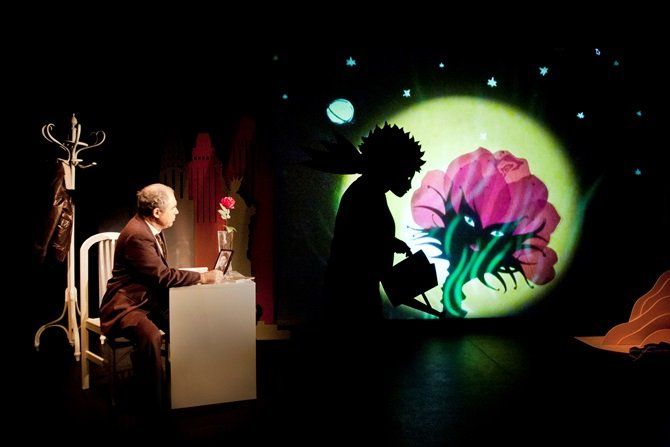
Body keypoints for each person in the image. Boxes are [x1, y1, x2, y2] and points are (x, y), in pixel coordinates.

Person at [100, 183, 222, 409]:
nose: (177, 211)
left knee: (193, 320)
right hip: (128, 305)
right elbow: (162, 276)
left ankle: (194, 386)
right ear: (157, 212)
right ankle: (153, 403)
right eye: (173, 208)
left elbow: (159, 274)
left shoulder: (150, 228)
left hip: (150, 301)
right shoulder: (138, 235)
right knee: (151, 336)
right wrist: (202, 277)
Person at [318, 123, 426, 326]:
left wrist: (391, 243)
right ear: (392, 166)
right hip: (354, 294)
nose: (409, 183)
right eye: (408, 174)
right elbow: (362, 242)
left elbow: (366, 235)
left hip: (354, 290)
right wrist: (389, 244)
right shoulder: (367, 193)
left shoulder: (367, 191)